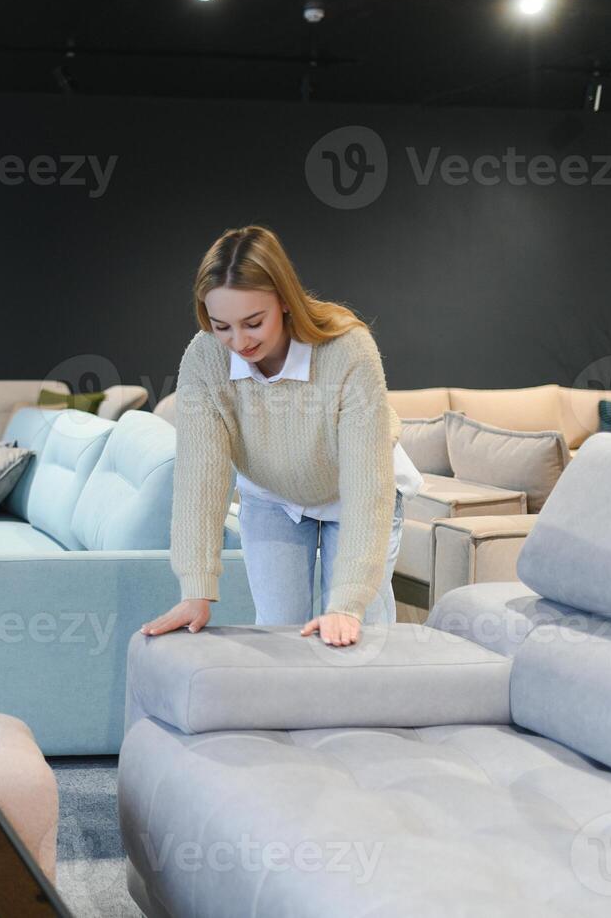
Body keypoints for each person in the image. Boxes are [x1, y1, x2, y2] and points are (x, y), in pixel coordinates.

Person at [142, 226, 422, 647]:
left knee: (359, 632)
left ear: (286, 302)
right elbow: (201, 479)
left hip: (354, 494)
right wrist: (195, 590)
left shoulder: (347, 350)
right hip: (272, 495)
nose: (238, 342)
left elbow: (367, 486)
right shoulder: (205, 359)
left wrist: (346, 603)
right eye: (222, 326)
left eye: (253, 323)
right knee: (277, 634)